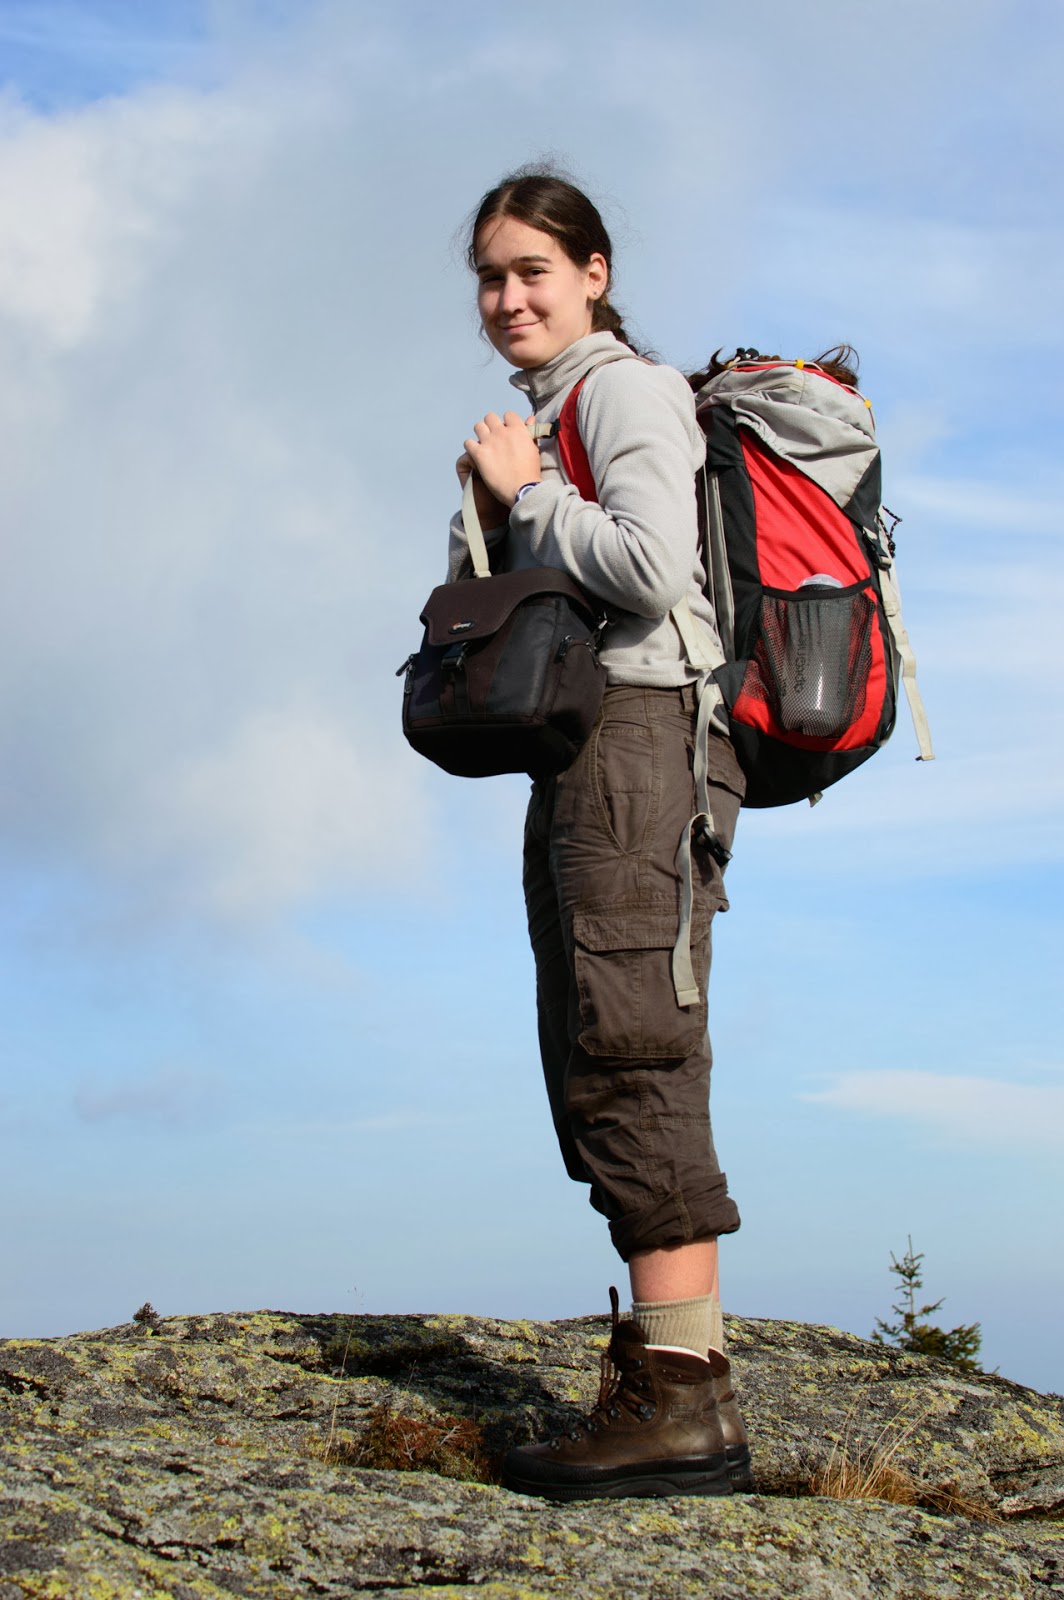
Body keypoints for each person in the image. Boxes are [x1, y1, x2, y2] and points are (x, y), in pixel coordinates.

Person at [450, 169, 750, 1502]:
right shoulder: (541, 413)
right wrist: (496, 505)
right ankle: (670, 1378)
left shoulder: (625, 390)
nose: (509, 298)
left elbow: (652, 567)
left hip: (644, 736)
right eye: (490, 277)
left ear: (594, 273)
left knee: (632, 1040)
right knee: (589, 1042)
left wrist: (526, 496)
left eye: (533, 270)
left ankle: (682, 1403)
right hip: (584, 750)